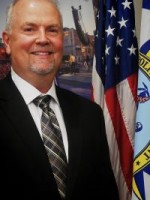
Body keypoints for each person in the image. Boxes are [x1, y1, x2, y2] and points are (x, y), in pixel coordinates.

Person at [0, 0, 119, 199]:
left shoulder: (91, 114)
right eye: (29, 29)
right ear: (8, 41)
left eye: (52, 30)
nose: (43, 39)